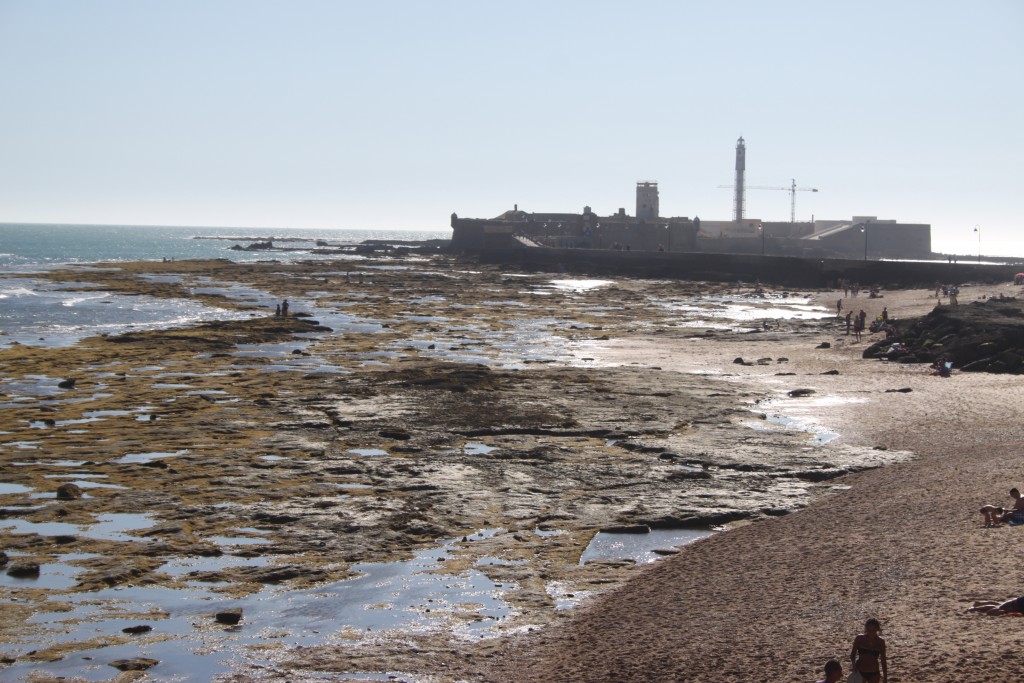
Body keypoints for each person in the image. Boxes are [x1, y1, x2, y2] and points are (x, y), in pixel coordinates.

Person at [850, 618, 887, 683]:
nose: (871, 632)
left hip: (874, 672)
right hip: (861, 671)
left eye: (873, 630)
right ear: (866, 628)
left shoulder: (880, 642)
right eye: (869, 630)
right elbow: (853, 654)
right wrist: (854, 666)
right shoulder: (860, 638)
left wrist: (885, 677)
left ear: (877, 630)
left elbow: (883, 660)